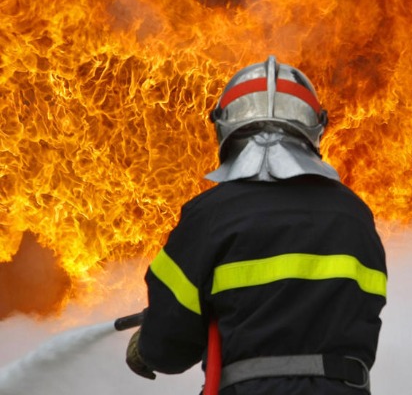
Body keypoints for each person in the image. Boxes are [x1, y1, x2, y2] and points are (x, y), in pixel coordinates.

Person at [125, 56, 387, 395]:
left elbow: (169, 344)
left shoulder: (210, 215)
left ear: (224, 126)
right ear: (315, 127)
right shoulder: (354, 215)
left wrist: (146, 346)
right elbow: (364, 314)